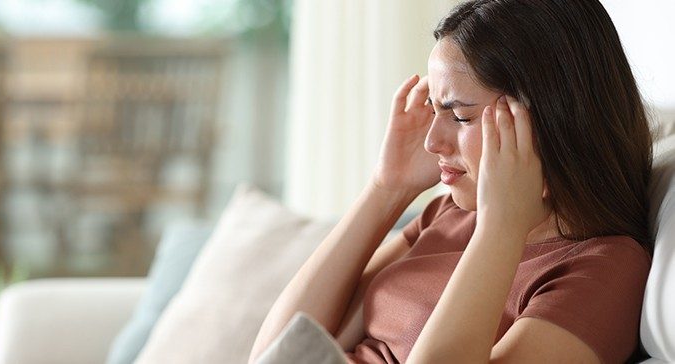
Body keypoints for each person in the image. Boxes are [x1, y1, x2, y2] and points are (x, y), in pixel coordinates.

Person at [249, 0, 653, 363]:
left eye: (459, 116)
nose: (431, 142)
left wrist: (502, 228)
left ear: (548, 124)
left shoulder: (604, 270)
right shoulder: (450, 214)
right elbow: (280, 351)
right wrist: (386, 190)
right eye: (433, 108)